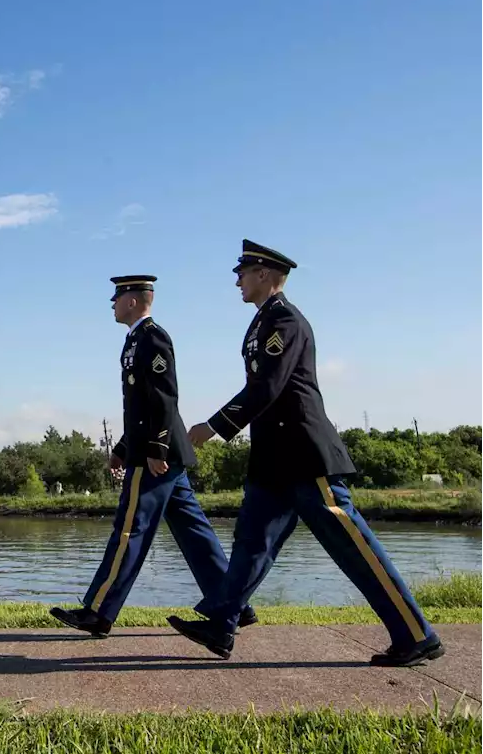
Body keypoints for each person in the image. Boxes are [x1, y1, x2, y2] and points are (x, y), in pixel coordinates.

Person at [169, 240, 444, 667]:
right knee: (250, 543)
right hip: (273, 461)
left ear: (265, 274)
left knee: (352, 546)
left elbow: (268, 387)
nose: (237, 280)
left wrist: (213, 427)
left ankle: (415, 634)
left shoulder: (285, 321)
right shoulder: (262, 323)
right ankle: (221, 624)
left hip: (304, 455)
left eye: (243, 272)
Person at [50, 275, 256, 637]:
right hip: (155, 452)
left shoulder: (152, 337)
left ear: (132, 301)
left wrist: (155, 449)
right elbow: (140, 406)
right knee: (196, 534)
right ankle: (234, 606)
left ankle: (97, 612)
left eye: (116, 297)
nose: (112, 303)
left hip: (157, 456)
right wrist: (121, 449)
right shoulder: (134, 341)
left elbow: (164, 397)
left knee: (129, 530)